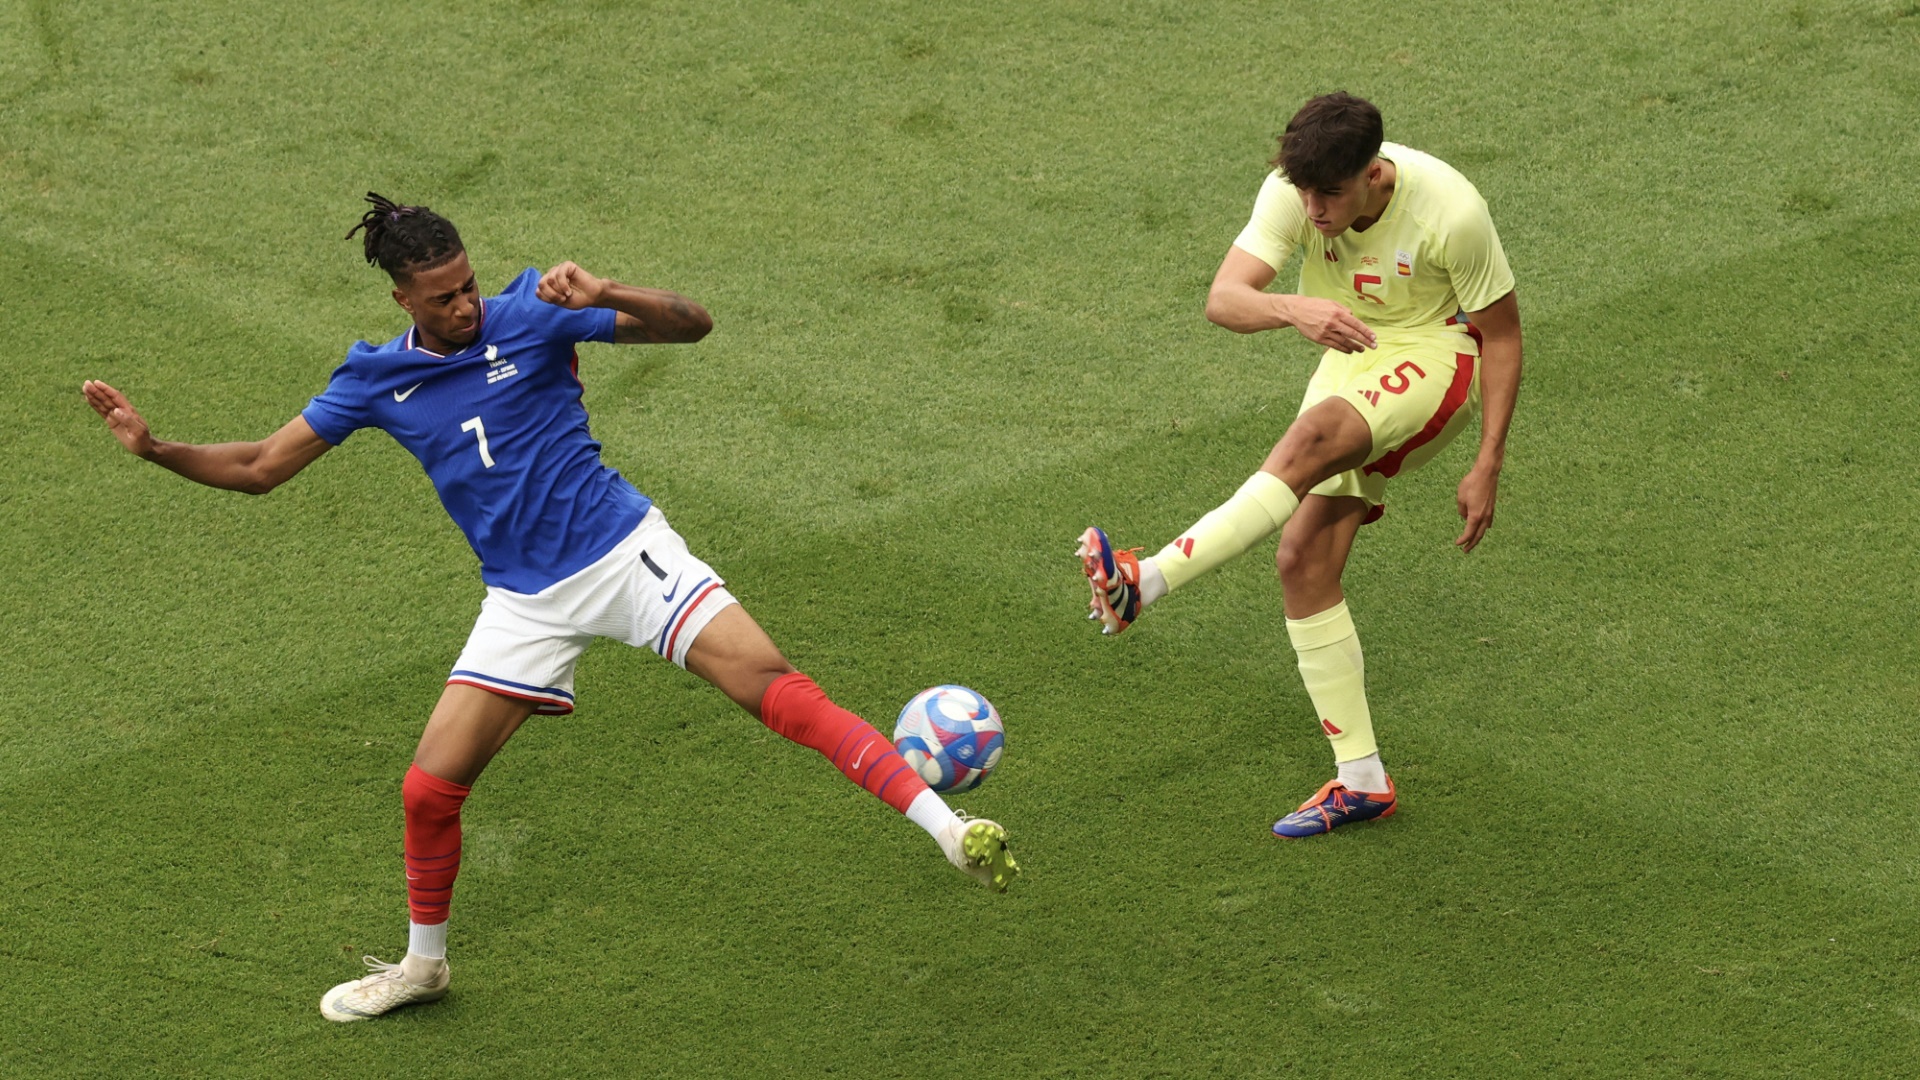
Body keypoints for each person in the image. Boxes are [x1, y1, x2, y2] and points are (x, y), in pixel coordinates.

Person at [82, 193, 1018, 1023]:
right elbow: (257, 468)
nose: (466, 304)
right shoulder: (374, 379)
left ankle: (945, 832)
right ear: (401, 300)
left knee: (767, 683)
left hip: (621, 552)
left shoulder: (536, 312)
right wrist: (155, 446)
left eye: (469, 283)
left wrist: (612, 290)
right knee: (427, 791)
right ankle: (422, 968)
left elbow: (693, 326)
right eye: (443, 295)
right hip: (523, 601)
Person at [1077, 92, 1522, 838]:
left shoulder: (1451, 210)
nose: (1314, 210)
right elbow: (1224, 299)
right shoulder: (1297, 189)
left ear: (1375, 176)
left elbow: (1502, 335)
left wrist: (1489, 461)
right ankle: (1363, 782)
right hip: (1348, 351)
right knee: (1302, 559)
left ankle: (1143, 583)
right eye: (1304, 191)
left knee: (1310, 439)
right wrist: (1295, 308)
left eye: (1331, 194)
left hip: (1435, 358)